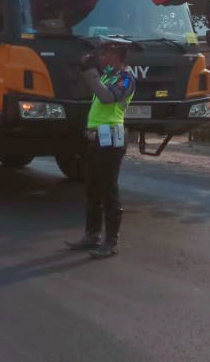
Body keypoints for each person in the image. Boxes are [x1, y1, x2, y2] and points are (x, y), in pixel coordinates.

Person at [66, 36, 137, 258]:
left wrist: (91, 73)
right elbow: (86, 89)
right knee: (92, 190)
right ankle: (92, 235)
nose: (102, 58)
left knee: (109, 191)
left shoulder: (126, 79)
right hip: (95, 139)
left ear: (117, 55)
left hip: (111, 140)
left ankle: (111, 242)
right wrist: (84, 68)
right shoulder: (107, 76)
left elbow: (107, 98)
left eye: (105, 54)